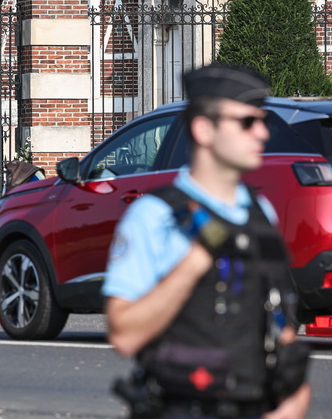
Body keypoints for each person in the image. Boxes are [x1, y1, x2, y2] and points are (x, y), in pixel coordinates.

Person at [103, 65, 311, 419]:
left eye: (263, 121)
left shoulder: (260, 213)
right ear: (204, 129)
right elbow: (125, 336)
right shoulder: (155, 216)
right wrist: (196, 261)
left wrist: (293, 402)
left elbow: (281, 324)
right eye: (247, 122)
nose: (262, 132)